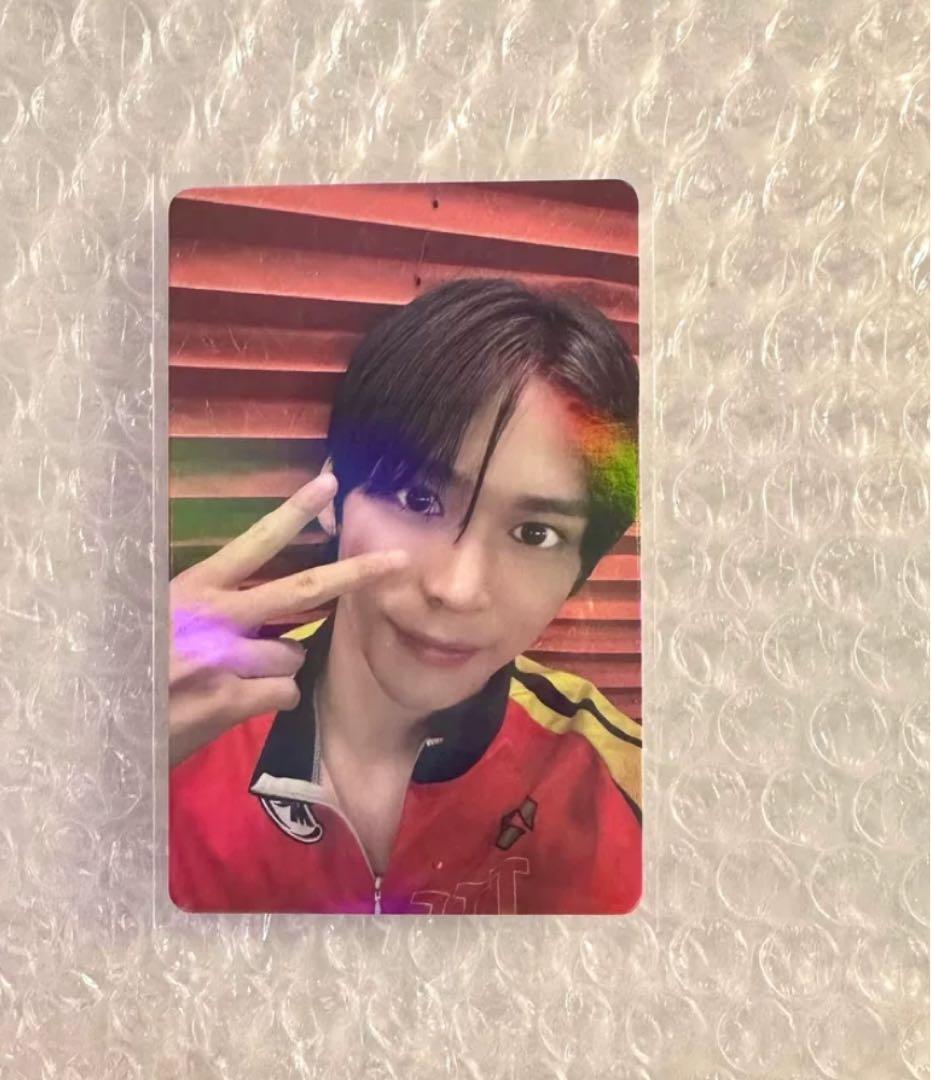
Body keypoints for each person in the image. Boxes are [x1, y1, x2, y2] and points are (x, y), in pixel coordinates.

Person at [169, 277, 641, 915]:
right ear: (332, 495)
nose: (456, 589)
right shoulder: (178, 722)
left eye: (535, 533)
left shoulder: (628, 791)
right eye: (419, 498)